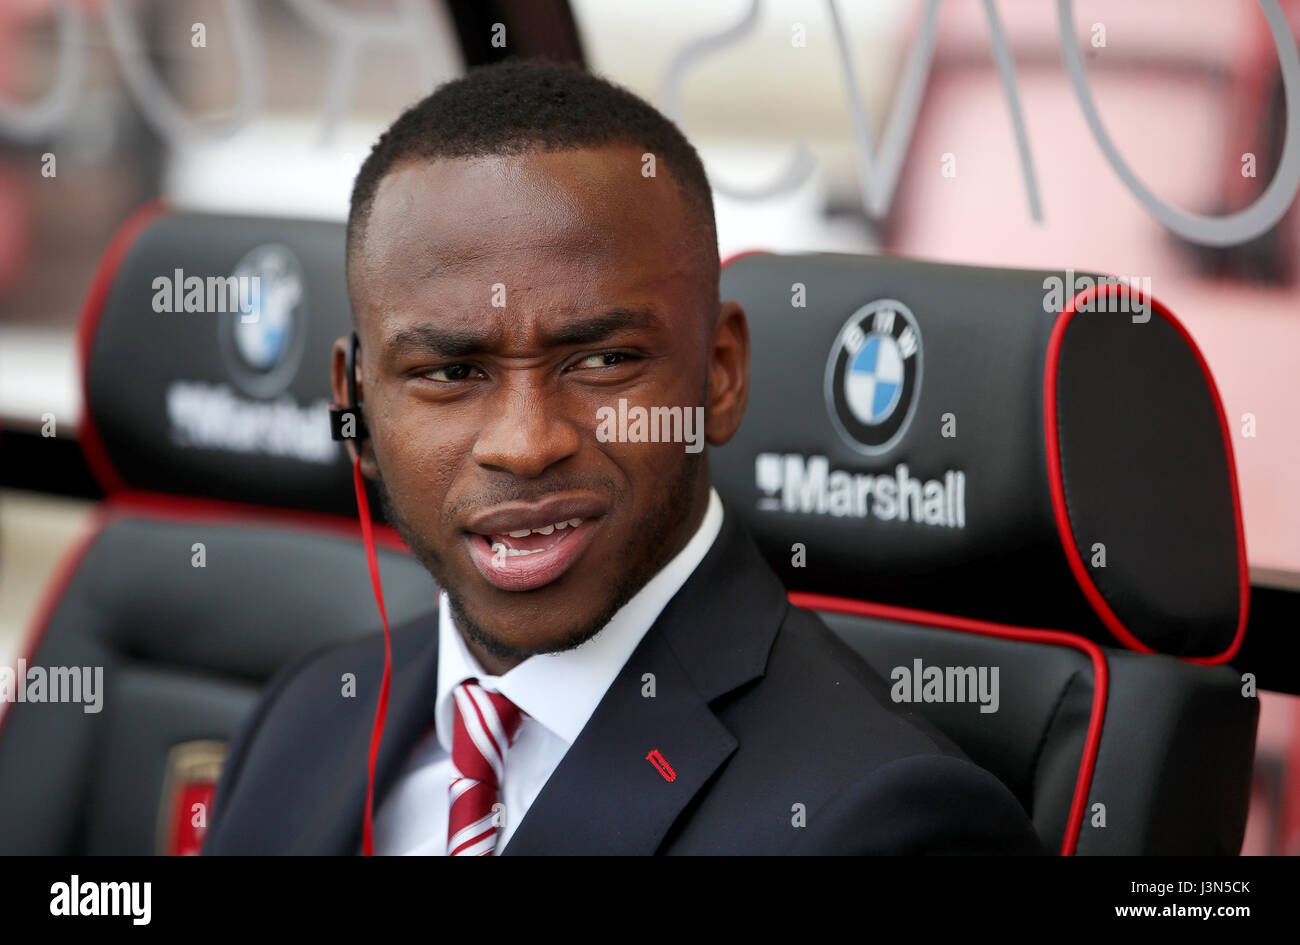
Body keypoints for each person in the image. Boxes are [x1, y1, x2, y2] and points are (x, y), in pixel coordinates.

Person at [201, 59, 1044, 856]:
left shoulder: (884, 823)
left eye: (602, 361)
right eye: (451, 373)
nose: (526, 445)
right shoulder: (303, 716)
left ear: (719, 375)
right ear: (353, 408)